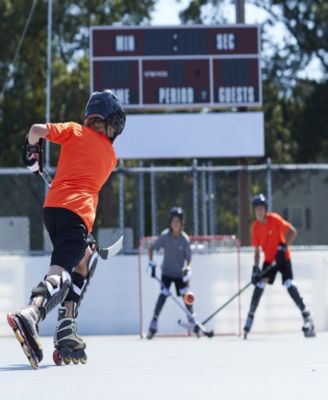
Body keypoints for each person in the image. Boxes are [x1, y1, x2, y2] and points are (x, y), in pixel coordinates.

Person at [7, 89, 126, 368]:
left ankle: (66, 324)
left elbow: (35, 130)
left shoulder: (73, 130)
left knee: (86, 257)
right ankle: (31, 313)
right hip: (77, 214)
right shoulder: (111, 157)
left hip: (53, 210)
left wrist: (32, 156)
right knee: (61, 273)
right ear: (111, 124)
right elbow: (87, 179)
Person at [243, 193, 315, 339]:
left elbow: (292, 232)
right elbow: (257, 251)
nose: (259, 211)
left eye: (261, 208)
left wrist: (282, 247)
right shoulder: (255, 228)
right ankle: (250, 317)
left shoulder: (274, 219)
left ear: (265, 209)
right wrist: (255, 269)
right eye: (256, 209)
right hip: (269, 261)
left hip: (283, 258)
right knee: (259, 285)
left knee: (289, 284)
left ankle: (307, 316)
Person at [147, 207, 196, 339]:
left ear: (181, 223)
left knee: (186, 295)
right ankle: (154, 322)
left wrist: (188, 268)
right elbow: (151, 249)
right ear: (170, 222)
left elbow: (189, 259)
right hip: (167, 274)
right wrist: (151, 263)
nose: (175, 223)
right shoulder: (165, 236)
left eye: (178, 221)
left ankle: (192, 319)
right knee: (162, 296)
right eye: (173, 221)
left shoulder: (185, 239)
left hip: (180, 275)